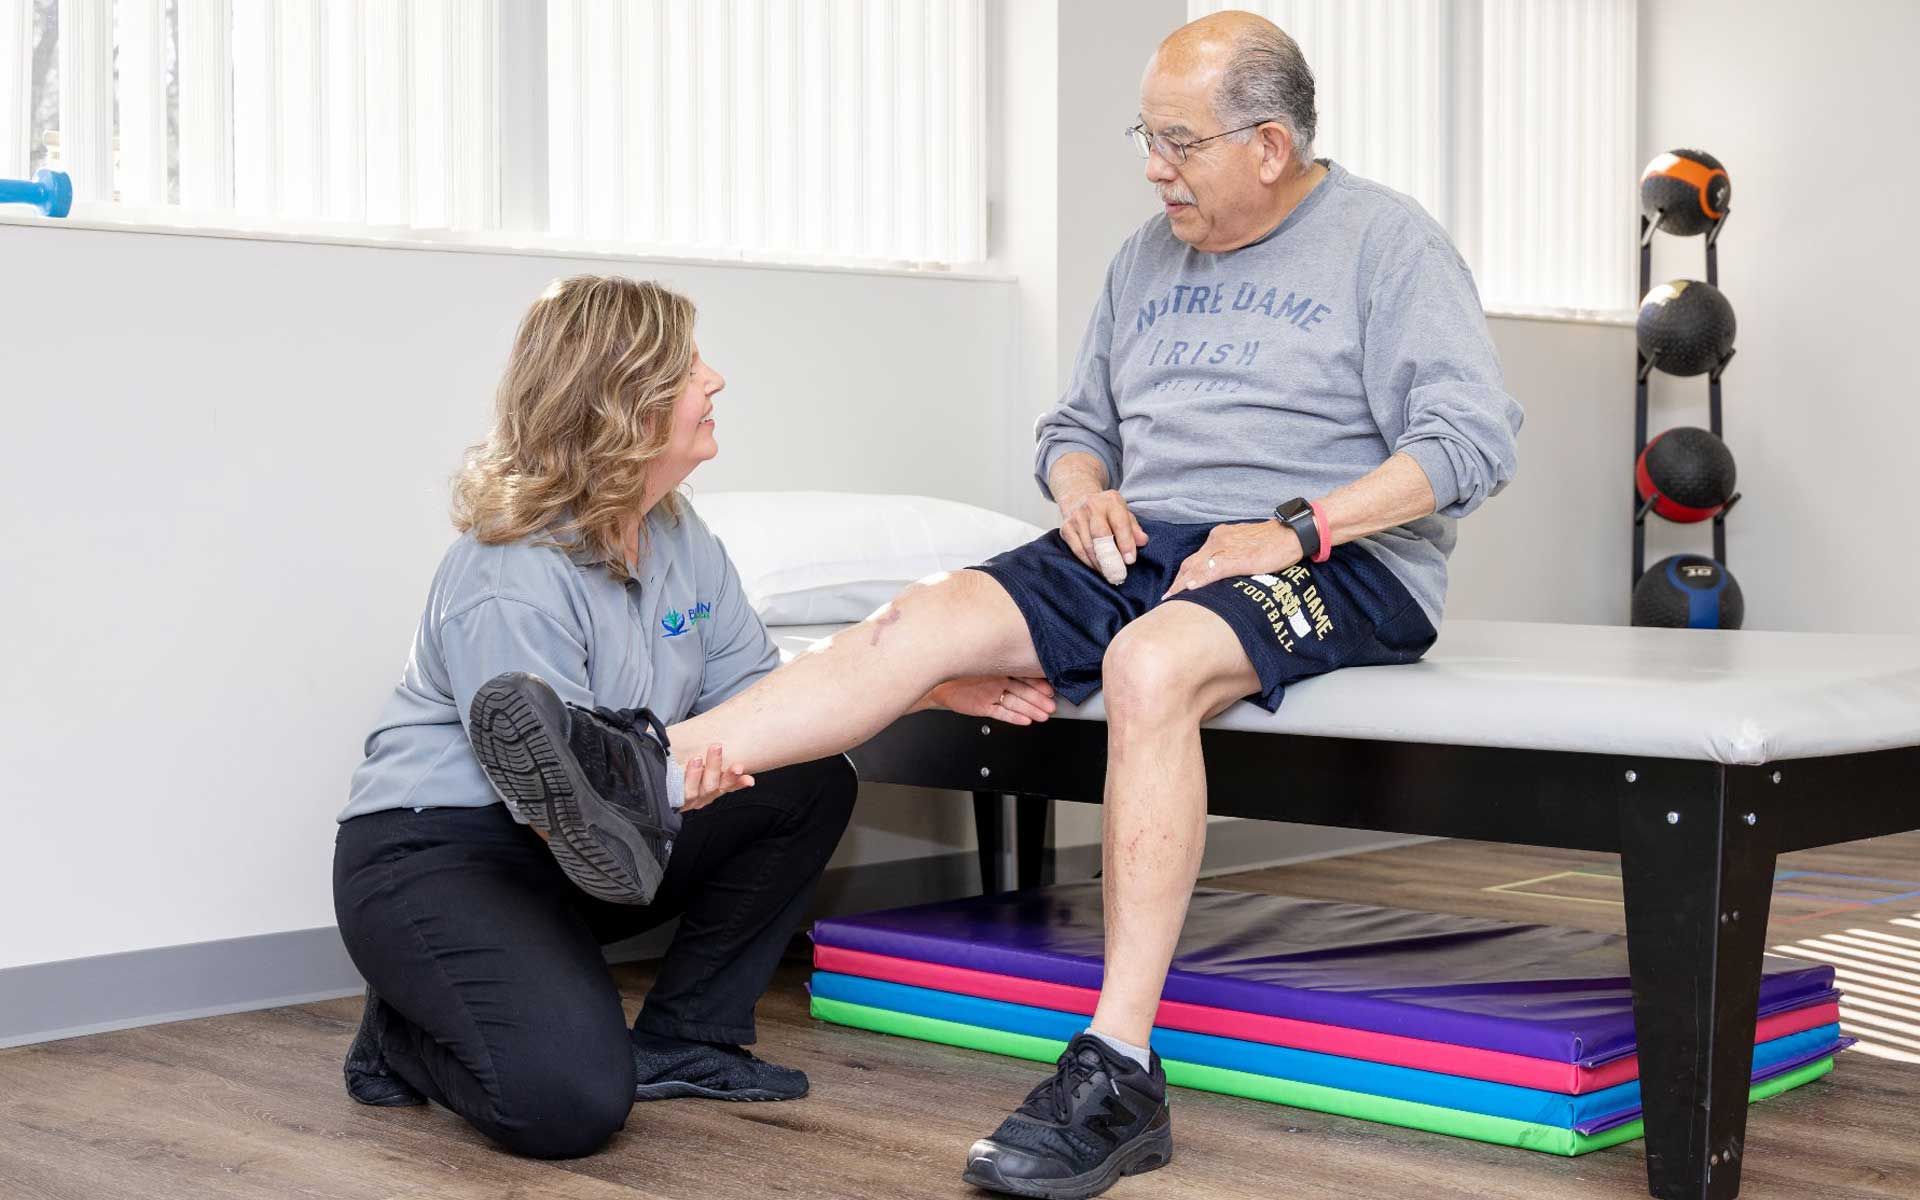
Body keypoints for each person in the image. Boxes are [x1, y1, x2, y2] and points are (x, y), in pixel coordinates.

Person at [476, 10, 1522, 1195]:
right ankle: (645, 776)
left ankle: (1120, 1068)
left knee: (1149, 667)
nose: (1152, 165)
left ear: (1269, 145)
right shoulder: (1146, 259)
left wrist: (1298, 528)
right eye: (1148, 133)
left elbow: (1471, 443)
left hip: (1338, 555)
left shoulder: (1388, 245)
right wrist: (1081, 495)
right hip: (1145, 540)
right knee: (920, 624)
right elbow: (1076, 432)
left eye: (1178, 141)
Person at [331, 275, 1046, 1160]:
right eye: (688, 367)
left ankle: (689, 1036)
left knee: (805, 779)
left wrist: (923, 682)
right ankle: (404, 1034)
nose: (715, 382)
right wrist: (672, 775)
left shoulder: (675, 532)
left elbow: (761, 694)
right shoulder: (509, 567)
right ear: (621, 400)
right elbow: (558, 785)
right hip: (442, 854)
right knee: (570, 1107)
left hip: (584, 850)